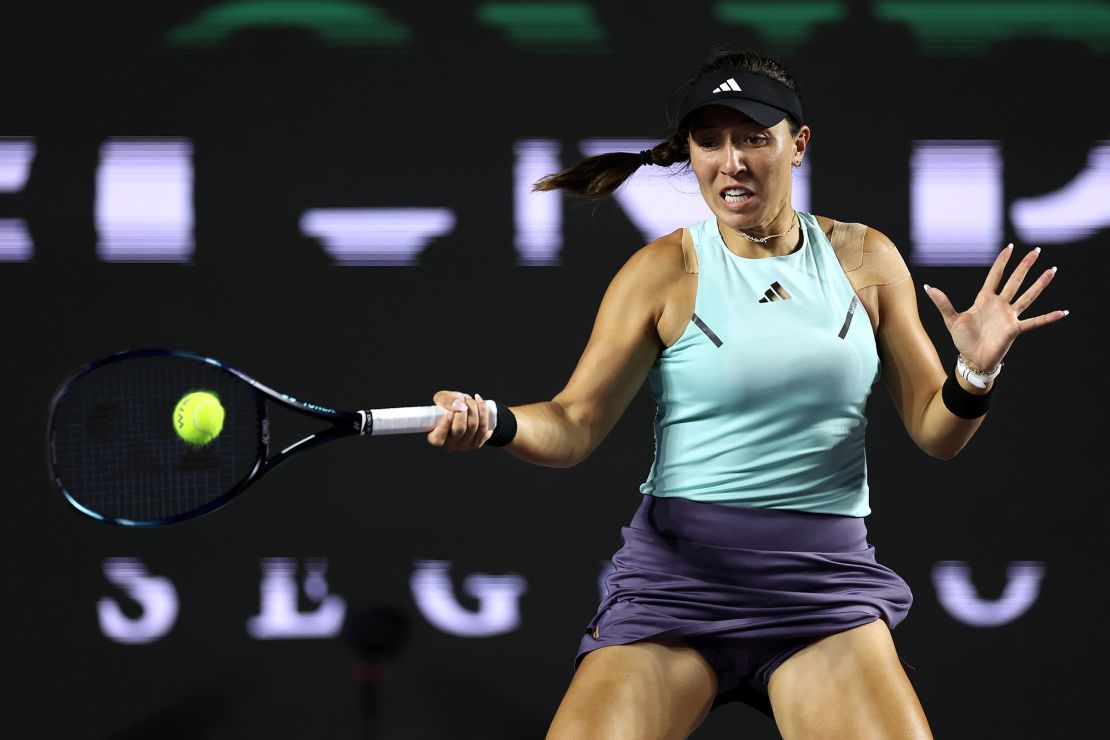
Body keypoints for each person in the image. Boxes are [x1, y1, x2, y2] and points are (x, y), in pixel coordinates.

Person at [425, 48, 1066, 739]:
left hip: (819, 590)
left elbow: (936, 432)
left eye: (754, 138)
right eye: (711, 141)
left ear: (798, 145)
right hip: (675, 588)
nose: (731, 161)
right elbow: (573, 423)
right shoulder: (662, 270)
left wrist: (974, 373)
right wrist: (494, 422)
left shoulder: (867, 260)